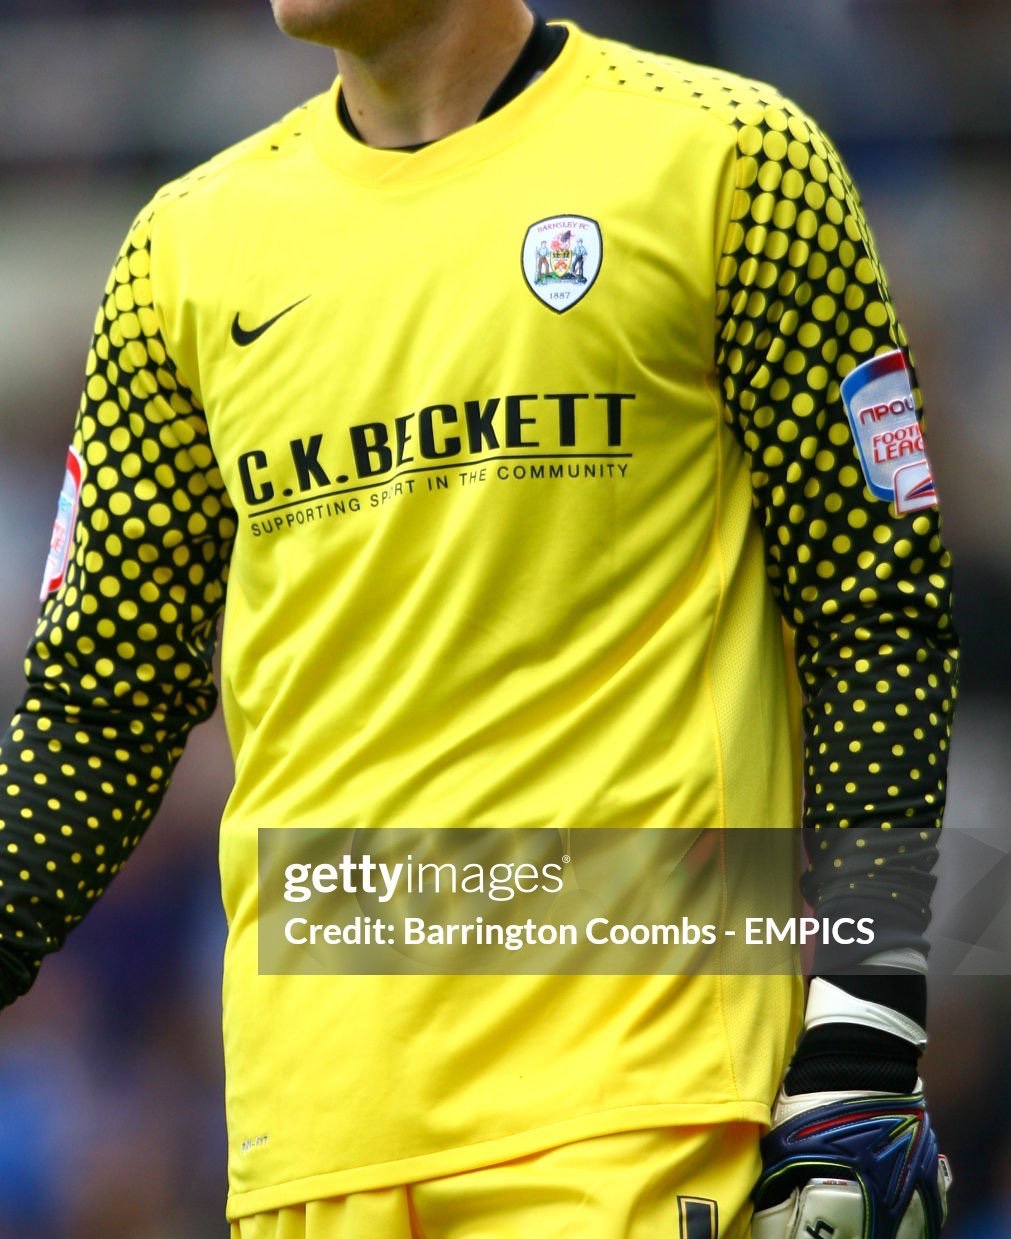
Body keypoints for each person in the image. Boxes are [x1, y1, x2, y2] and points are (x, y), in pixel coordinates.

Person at [0, 2, 957, 1236]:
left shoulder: (729, 160)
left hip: (644, 1117)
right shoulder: (181, 254)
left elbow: (873, 609)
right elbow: (98, 702)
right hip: (307, 1146)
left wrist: (863, 1039)